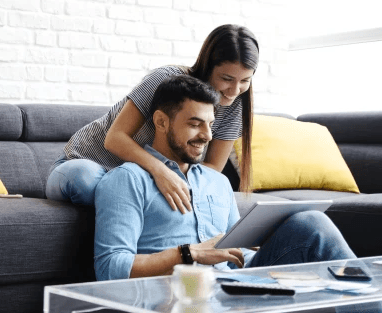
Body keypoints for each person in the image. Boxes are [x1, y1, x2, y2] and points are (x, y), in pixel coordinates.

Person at [94, 75, 382, 313]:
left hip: (236, 288)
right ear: (161, 121)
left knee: (311, 224)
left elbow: (239, 252)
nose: (207, 136)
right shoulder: (127, 180)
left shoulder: (216, 182)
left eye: (210, 125)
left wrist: (269, 254)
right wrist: (190, 254)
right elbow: (110, 269)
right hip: (178, 297)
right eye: (194, 124)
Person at [46, 24, 258, 212]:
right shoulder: (166, 79)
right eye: (226, 79)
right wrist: (161, 173)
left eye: (245, 80)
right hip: (88, 164)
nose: (234, 90)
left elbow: (212, 169)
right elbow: (115, 138)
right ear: (208, 66)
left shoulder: (235, 106)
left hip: (138, 181)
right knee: (87, 182)